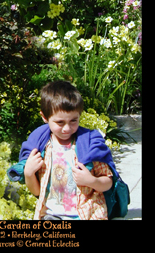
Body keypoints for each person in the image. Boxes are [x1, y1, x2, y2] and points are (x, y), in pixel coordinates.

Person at [7, 80, 117, 220]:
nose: (67, 128)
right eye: (60, 122)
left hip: (86, 214)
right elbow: (37, 192)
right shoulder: (43, 148)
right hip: (51, 215)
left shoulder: (89, 145)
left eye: (73, 121)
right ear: (44, 117)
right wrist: (28, 173)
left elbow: (108, 182)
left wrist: (91, 181)